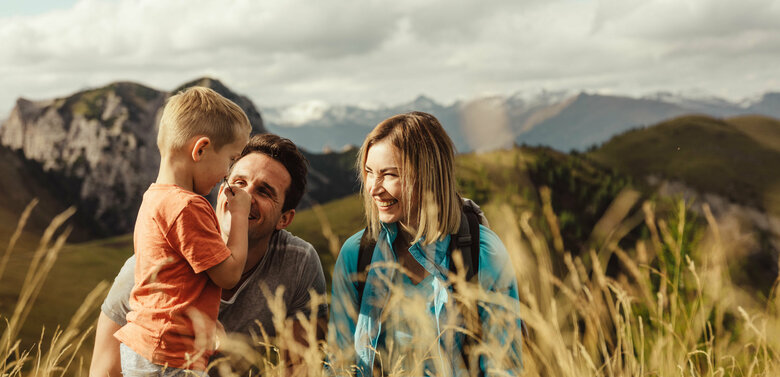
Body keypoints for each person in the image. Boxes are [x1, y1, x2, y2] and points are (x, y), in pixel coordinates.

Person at [90, 134, 328, 376]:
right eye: (238, 183)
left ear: (284, 219)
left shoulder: (298, 263)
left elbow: (301, 366)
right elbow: (103, 370)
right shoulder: (151, 265)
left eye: (264, 192)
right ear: (221, 188)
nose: (244, 197)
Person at [328, 112, 523, 376]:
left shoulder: (482, 252)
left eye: (389, 175)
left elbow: (504, 366)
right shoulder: (357, 254)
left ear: (428, 175)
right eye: (369, 172)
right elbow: (340, 364)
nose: (374, 188)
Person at [113, 86, 252, 375]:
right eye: (230, 159)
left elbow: (171, 280)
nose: (228, 173)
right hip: (170, 356)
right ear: (200, 149)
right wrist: (239, 216)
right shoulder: (188, 206)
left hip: (146, 345)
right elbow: (229, 274)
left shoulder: (154, 197)